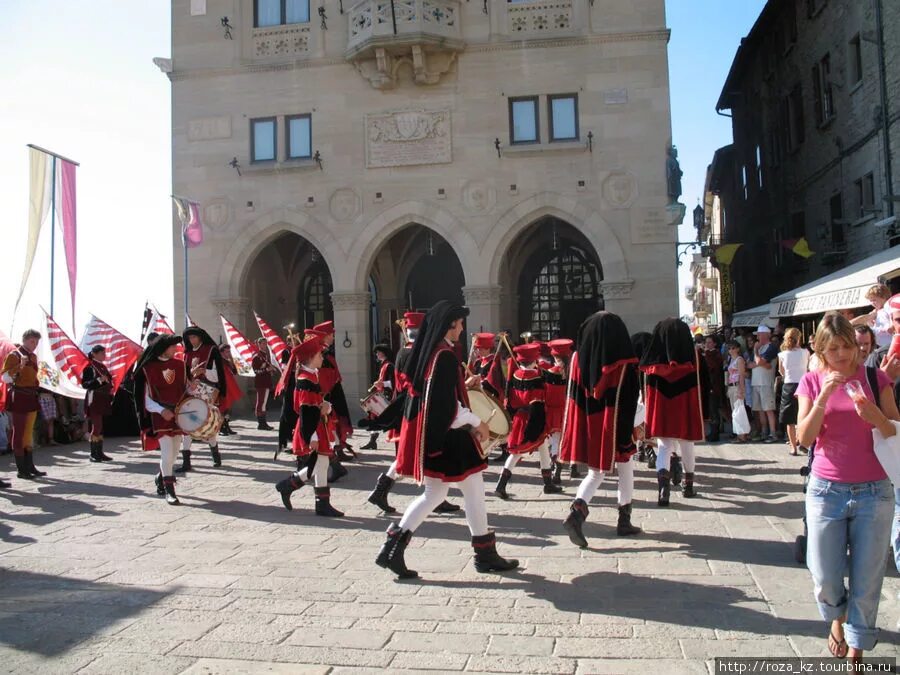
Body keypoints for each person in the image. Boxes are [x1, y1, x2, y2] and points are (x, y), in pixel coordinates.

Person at [376, 300, 518, 579]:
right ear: (449, 325)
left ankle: (393, 547)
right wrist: (478, 423)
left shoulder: (431, 353)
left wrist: (463, 387)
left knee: (438, 493)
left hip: (434, 436)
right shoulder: (445, 356)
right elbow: (446, 408)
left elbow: (435, 396)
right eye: (459, 323)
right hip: (448, 438)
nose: (462, 328)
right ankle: (485, 555)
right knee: (468, 491)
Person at [796, 311, 897, 663]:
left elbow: (895, 433)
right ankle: (836, 619)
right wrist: (824, 397)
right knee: (824, 575)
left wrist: (877, 418)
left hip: (875, 492)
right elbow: (805, 440)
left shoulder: (876, 377)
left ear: (857, 346)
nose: (842, 355)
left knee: (868, 579)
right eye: (834, 348)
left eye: (848, 347)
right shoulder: (810, 381)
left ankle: (857, 647)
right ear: (821, 351)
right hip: (827, 490)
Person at [365, 312, 461, 515]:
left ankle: (386, 491)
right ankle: (387, 491)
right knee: (415, 454)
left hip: (406, 406)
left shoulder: (402, 353)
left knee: (414, 454)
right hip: (417, 409)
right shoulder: (419, 353)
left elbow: (400, 381)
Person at [560, 312, 642, 548]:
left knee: (595, 473)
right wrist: (628, 431)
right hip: (614, 424)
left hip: (589, 422)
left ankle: (577, 513)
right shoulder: (623, 362)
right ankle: (624, 520)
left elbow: (574, 394)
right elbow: (629, 397)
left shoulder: (576, 357)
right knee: (625, 467)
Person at [274, 334, 343, 516]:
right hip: (312, 427)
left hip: (316, 425)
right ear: (311, 358)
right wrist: (311, 435)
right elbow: (305, 410)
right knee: (321, 462)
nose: (322, 358)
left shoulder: (311, 375)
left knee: (322, 463)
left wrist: (324, 407)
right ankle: (292, 487)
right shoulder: (306, 379)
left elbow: (314, 404)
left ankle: (313, 498)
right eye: (319, 355)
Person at [639, 318, 705, 506]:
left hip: (662, 409)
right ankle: (689, 485)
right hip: (684, 406)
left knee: (664, 447)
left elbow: (648, 392)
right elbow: (702, 385)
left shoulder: (651, 363)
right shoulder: (693, 357)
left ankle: (663, 490)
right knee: (687, 445)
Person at [494, 343, 562, 499]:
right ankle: (500, 485)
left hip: (519, 417)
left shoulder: (516, 374)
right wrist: (536, 428)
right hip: (532, 420)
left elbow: (511, 400)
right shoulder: (537, 378)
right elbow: (537, 404)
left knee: (543, 447)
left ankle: (548, 483)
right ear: (533, 359)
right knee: (517, 452)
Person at [133, 334, 188, 505]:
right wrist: (161, 410)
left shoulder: (180, 365)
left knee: (174, 453)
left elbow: (186, 389)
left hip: (178, 415)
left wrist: (193, 387)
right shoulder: (148, 368)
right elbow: (144, 398)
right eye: (173, 346)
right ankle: (170, 491)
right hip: (160, 415)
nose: (176, 349)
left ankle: (161, 476)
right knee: (166, 452)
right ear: (164, 348)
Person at [176, 326, 233, 472]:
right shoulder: (187, 353)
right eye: (189, 338)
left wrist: (204, 371)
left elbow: (217, 374)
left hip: (207, 391)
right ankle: (186, 461)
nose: (191, 340)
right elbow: (184, 374)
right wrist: (189, 376)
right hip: (190, 392)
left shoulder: (211, 350)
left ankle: (215, 453)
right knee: (187, 424)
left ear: (200, 337)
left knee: (206, 423)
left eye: (194, 337)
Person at [1, 329, 46, 480]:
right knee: (18, 432)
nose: (35, 345)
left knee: (28, 433)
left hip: (31, 396)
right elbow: (5, 378)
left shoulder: (33, 356)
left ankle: (30, 466)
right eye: (32, 341)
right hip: (19, 396)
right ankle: (21, 469)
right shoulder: (14, 356)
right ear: (25, 340)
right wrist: (19, 366)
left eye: (37, 342)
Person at [544, 338, 573, 483]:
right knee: (568, 440)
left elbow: (547, 395)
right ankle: (572, 467)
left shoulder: (549, 373)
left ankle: (556, 470)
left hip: (554, 412)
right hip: (569, 411)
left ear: (554, 356)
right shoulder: (573, 372)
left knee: (555, 441)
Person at [777, 328, 809, 456]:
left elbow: (781, 371)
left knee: (789, 418)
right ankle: (803, 442)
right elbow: (807, 367)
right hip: (803, 384)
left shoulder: (782, 354)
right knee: (803, 414)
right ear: (798, 338)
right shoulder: (805, 352)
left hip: (789, 385)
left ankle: (793, 446)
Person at [81, 345, 115, 462]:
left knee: (101, 427)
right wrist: (100, 380)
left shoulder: (102, 366)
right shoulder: (90, 367)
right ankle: (93, 453)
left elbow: (109, 380)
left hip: (103, 398)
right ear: (94, 354)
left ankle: (99, 452)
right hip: (94, 398)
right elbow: (85, 384)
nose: (104, 355)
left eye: (104, 353)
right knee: (97, 425)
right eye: (101, 353)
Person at [747, 324, 779, 443]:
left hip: (766, 382)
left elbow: (760, 361)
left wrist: (756, 351)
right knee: (760, 409)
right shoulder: (760, 348)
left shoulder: (771, 347)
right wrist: (761, 364)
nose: (758, 337)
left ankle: (773, 433)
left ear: (767, 335)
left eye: (760, 334)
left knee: (769, 409)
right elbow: (749, 364)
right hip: (756, 382)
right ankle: (764, 432)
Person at [360, 343, 394, 451]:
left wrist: (383, 384)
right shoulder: (384, 365)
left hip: (387, 396)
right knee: (373, 416)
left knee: (377, 417)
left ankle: (372, 442)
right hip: (381, 394)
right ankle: (372, 442)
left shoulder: (389, 366)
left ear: (384, 353)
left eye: (378, 352)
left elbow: (394, 382)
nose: (377, 354)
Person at [851, 284, 892, 349]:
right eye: (871, 301)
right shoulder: (876, 312)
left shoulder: (888, 310)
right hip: (880, 346)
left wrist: (873, 330)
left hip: (889, 345)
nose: (872, 303)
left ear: (884, 297)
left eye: (874, 300)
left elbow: (890, 329)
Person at [725, 340, 750, 443]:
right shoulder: (731, 359)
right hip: (731, 386)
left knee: (738, 412)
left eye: (733, 348)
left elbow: (741, 375)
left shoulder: (739, 360)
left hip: (737, 386)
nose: (731, 350)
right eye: (729, 348)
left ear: (738, 349)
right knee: (735, 412)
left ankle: (742, 435)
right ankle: (739, 434)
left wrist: (741, 389)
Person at [701, 335, 724, 442]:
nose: (707, 344)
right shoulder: (707, 354)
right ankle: (712, 431)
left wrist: (706, 354)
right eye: (706, 342)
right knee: (710, 410)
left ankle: (715, 433)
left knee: (713, 410)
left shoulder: (716, 354)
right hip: (707, 385)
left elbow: (712, 367)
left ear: (714, 343)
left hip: (714, 385)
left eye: (710, 342)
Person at [252, 337, 276, 430]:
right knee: (261, 402)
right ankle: (261, 423)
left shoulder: (265, 355)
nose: (265, 346)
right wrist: (267, 369)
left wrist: (271, 370)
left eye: (266, 344)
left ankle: (263, 422)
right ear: (258, 344)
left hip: (266, 381)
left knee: (264, 402)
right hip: (261, 382)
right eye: (262, 344)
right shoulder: (257, 356)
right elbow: (256, 371)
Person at [218, 344, 238, 436]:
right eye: (227, 351)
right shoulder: (218, 361)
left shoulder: (227, 361)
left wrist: (231, 360)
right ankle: (221, 427)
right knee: (222, 408)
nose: (228, 353)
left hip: (229, 386)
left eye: (229, 351)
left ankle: (226, 425)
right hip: (222, 387)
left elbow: (235, 371)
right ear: (221, 352)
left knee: (228, 408)